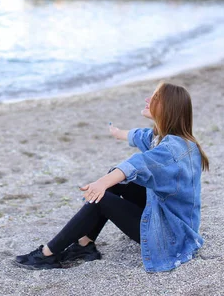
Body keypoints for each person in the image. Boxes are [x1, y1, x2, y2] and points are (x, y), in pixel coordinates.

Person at [14, 82, 209, 272]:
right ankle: (84, 245)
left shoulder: (172, 150)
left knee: (103, 196)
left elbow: (138, 163)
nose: (147, 99)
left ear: (167, 108)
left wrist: (100, 184)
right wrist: (117, 133)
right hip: (169, 220)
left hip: (171, 236)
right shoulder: (170, 139)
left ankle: (47, 255)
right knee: (116, 180)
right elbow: (140, 135)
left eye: (155, 98)